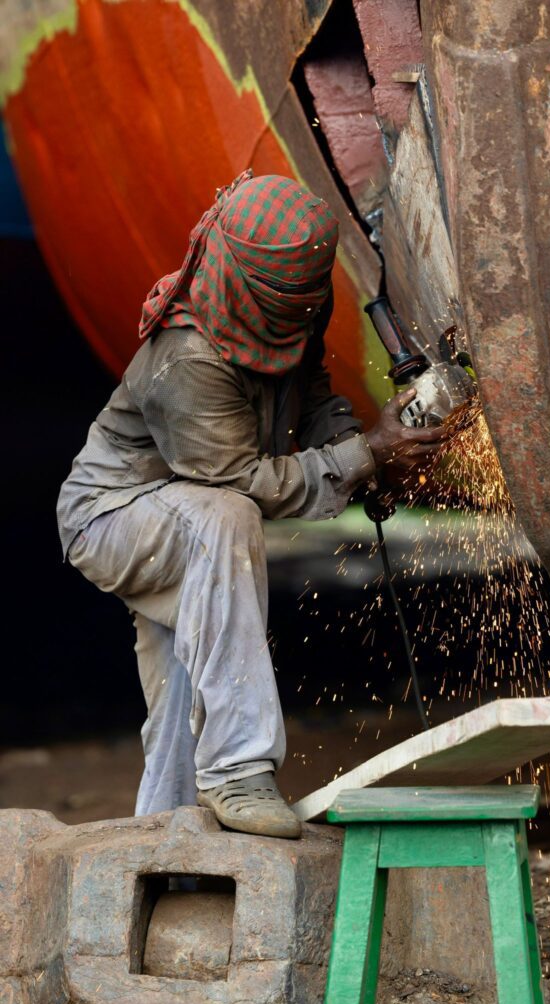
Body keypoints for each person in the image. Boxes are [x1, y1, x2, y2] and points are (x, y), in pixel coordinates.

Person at [57, 170, 445, 839]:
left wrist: (367, 453)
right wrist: (366, 456)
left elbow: (312, 392)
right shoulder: (186, 357)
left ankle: (164, 838)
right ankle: (237, 770)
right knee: (225, 520)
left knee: (186, 685)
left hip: (188, 514)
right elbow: (238, 482)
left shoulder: (293, 301)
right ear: (250, 279)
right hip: (113, 515)